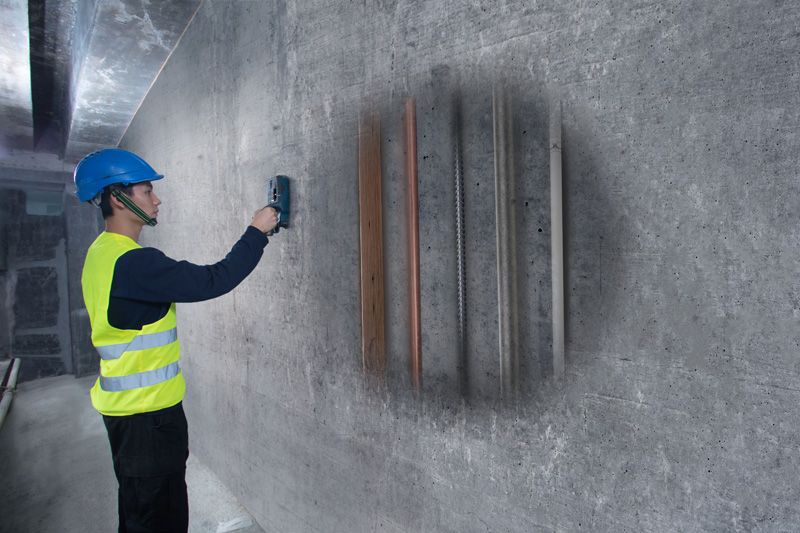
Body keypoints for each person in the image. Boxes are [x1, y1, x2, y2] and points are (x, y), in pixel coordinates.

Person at [74, 148, 278, 532]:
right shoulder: (135, 264)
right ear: (117, 197)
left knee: (141, 515)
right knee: (157, 520)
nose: (157, 199)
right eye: (146, 191)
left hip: (128, 417)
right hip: (147, 421)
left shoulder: (101, 253)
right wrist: (257, 231)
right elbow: (213, 280)